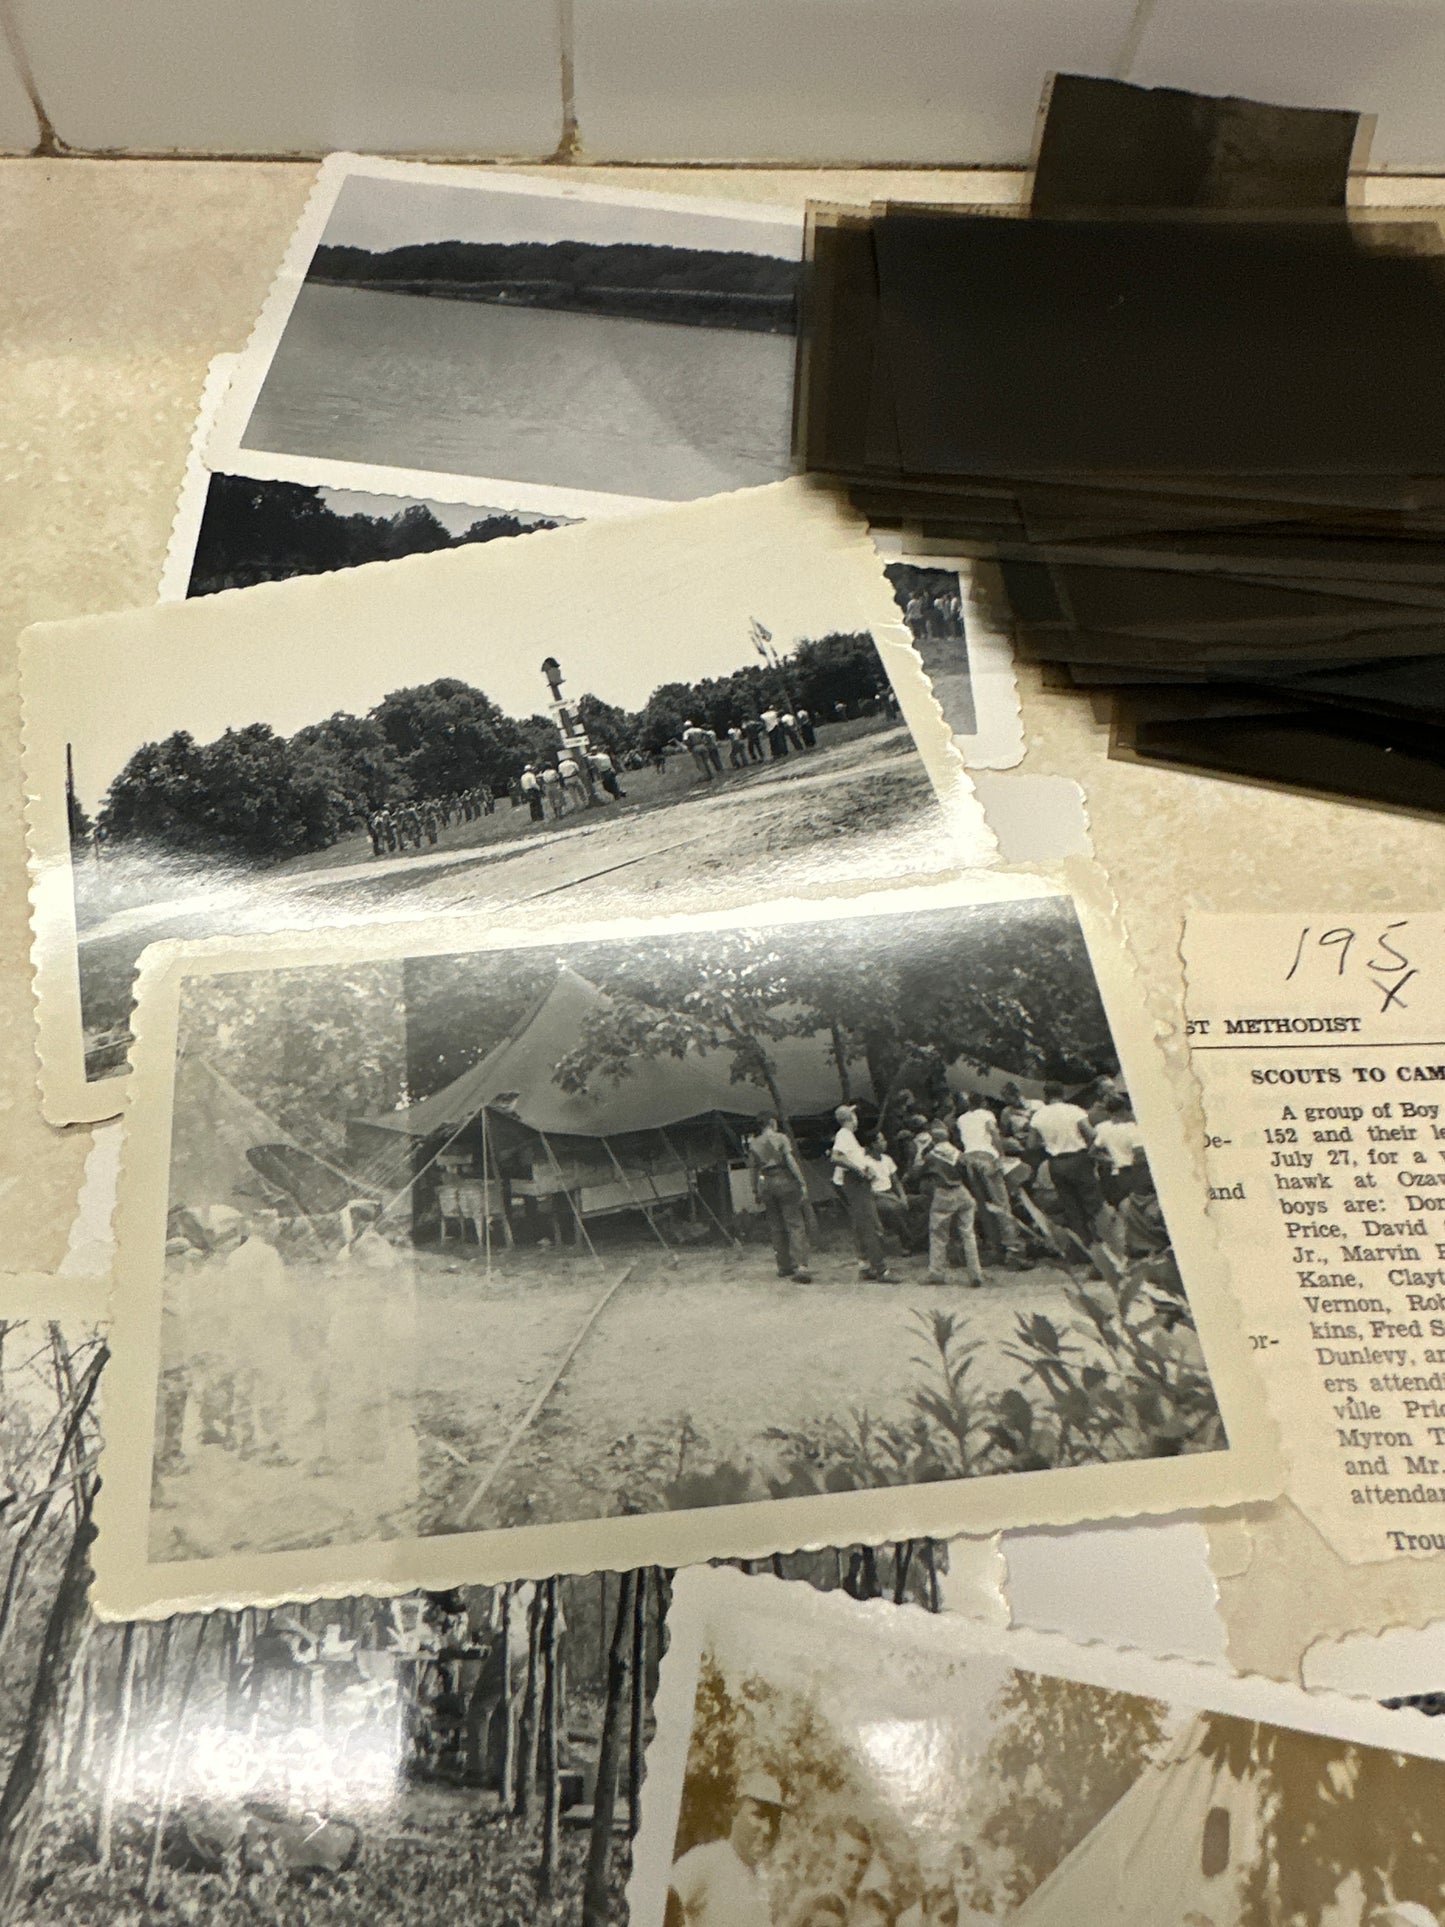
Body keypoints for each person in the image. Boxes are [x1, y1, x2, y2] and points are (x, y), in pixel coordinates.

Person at [669, 1771, 786, 1927]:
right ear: (734, 1812)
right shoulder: (707, 1860)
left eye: (774, 1820)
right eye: (758, 1814)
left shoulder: (765, 1883)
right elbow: (661, 1902)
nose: (767, 1829)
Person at [1029, 1082, 1104, 1254]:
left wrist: (1048, 1142)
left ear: (1045, 1096)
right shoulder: (1074, 1110)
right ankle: (1102, 1244)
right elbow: (1091, 1133)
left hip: (1056, 1163)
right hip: (1078, 1158)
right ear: (1063, 1094)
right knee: (1091, 1201)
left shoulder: (1038, 1116)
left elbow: (1031, 1144)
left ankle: (1082, 1249)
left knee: (1071, 1206)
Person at [954, 1093, 1026, 1263]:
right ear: (984, 1103)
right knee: (1001, 1203)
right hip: (986, 1157)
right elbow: (994, 1134)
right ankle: (1012, 1247)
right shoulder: (987, 1115)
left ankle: (995, 1246)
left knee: (983, 1204)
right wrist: (1000, 1156)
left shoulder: (962, 1119)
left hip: (970, 1159)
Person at [831, 1104, 896, 1283]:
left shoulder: (849, 1137)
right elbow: (836, 1157)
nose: (856, 1119)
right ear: (850, 1118)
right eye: (854, 1115)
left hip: (858, 1182)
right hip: (855, 1182)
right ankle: (881, 1269)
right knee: (870, 1223)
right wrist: (859, 1170)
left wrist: (865, 1168)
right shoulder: (843, 1134)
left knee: (862, 1224)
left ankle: (866, 1266)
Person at [747, 1112, 813, 1283]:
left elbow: (753, 1170)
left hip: (766, 1183)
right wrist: (801, 1181)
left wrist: (755, 1190)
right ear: (771, 1122)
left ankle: (783, 1266)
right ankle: (801, 1266)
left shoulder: (754, 1143)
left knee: (776, 1226)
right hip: (784, 1179)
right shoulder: (781, 1138)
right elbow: (790, 1161)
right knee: (795, 1223)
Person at [920, 1120, 986, 1288]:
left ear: (933, 1139)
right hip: (962, 1191)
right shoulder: (959, 1154)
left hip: (943, 1192)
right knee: (968, 1234)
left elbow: (920, 1173)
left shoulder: (931, 1156)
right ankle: (975, 1273)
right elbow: (968, 1175)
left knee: (938, 1235)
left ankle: (937, 1272)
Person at [782, 1819, 873, 1927]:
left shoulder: (867, 1911)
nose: (856, 1868)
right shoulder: (808, 1901)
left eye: (863, 1862)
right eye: (849, 1858)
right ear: (835, 1857)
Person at [1092, 1093, 1144, 1205]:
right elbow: (1139, 1153)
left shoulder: (1103, 1129)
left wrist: (1111, 1159)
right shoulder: (1131, 1128)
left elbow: (1093, 1152)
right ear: (1123, 1110)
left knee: (1134, 1206)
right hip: (1136, 1170)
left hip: (1120, 1174)